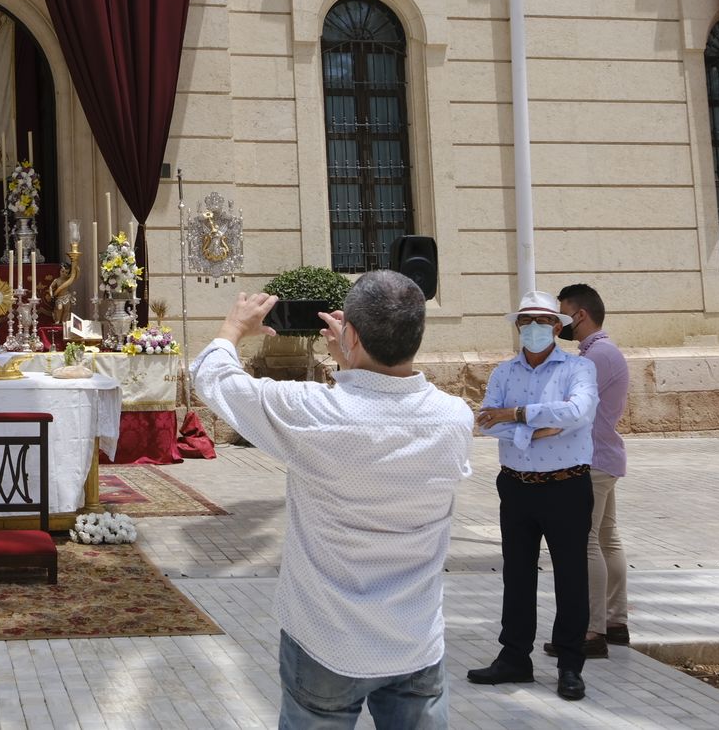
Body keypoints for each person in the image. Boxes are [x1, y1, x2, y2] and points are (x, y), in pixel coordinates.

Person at [190, 271, 473, 729]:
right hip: (413, 637)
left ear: (353, 334)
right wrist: (355, 361)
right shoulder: (454, 418)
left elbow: (213, 377)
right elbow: (380, 418)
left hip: (327, 637)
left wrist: (232, 329)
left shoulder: (314, 413)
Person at [467, 290, 599, 702]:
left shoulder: (580, 368)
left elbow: (578, 413)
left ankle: (570, 664)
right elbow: (487, 422)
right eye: (526, 322)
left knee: (571, 576)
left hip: (567, 485)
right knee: (517, 573)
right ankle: (514, 657)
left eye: (542, 322)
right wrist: (536, 427)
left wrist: (517, 414)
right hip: (517, 485)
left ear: (558, 327)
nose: (534, 329)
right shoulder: (504, 373)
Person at [553, 283, 630, 654]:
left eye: (561, 314)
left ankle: (592, 632)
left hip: (593, 460)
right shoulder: (603, 352)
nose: (558, 322)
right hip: (605, 457)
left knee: (586, 543)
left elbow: (565, 403)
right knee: (606, 539)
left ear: (579, 315)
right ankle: (615, 622)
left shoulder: (596, 357)